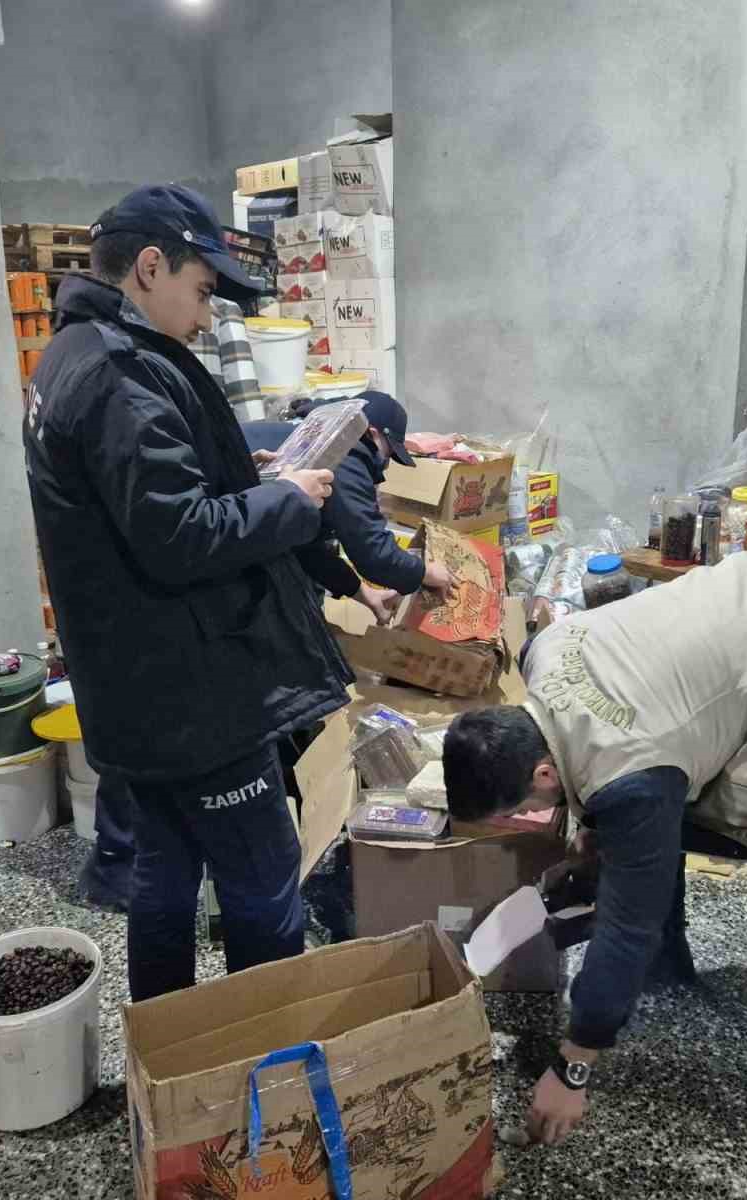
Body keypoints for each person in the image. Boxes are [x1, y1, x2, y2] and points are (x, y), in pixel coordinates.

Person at [442, 550, 747, 1200]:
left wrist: (574, 1066)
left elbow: (624, 925)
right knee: (645, 832)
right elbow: (609, 764)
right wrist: (594, 846)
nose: (532, 816)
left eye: (524, 807)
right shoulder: (543, 652)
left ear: (542, 774)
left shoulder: (627, 776)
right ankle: (673, 957)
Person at [22, 183, 353, 1001]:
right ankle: (268, 1068)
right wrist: (290, 499)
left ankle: (168, 1049)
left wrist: (249, 475)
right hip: (194, 692)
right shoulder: (118, 371)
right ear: (147, 266)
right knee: (263, 880)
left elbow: (146, 499)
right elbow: (180, 535)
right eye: (201, 290)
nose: (206, 316)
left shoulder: (74, 353)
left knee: (165, 873)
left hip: (135, 687)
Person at [243, 392, 455, 622]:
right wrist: (425, 572)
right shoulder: (345, 449)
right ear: (372, 434)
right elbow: (372, 550)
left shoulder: (311, 436)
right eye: (389, 452)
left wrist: (362, 593)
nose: (384, 465)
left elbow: (303, 547)